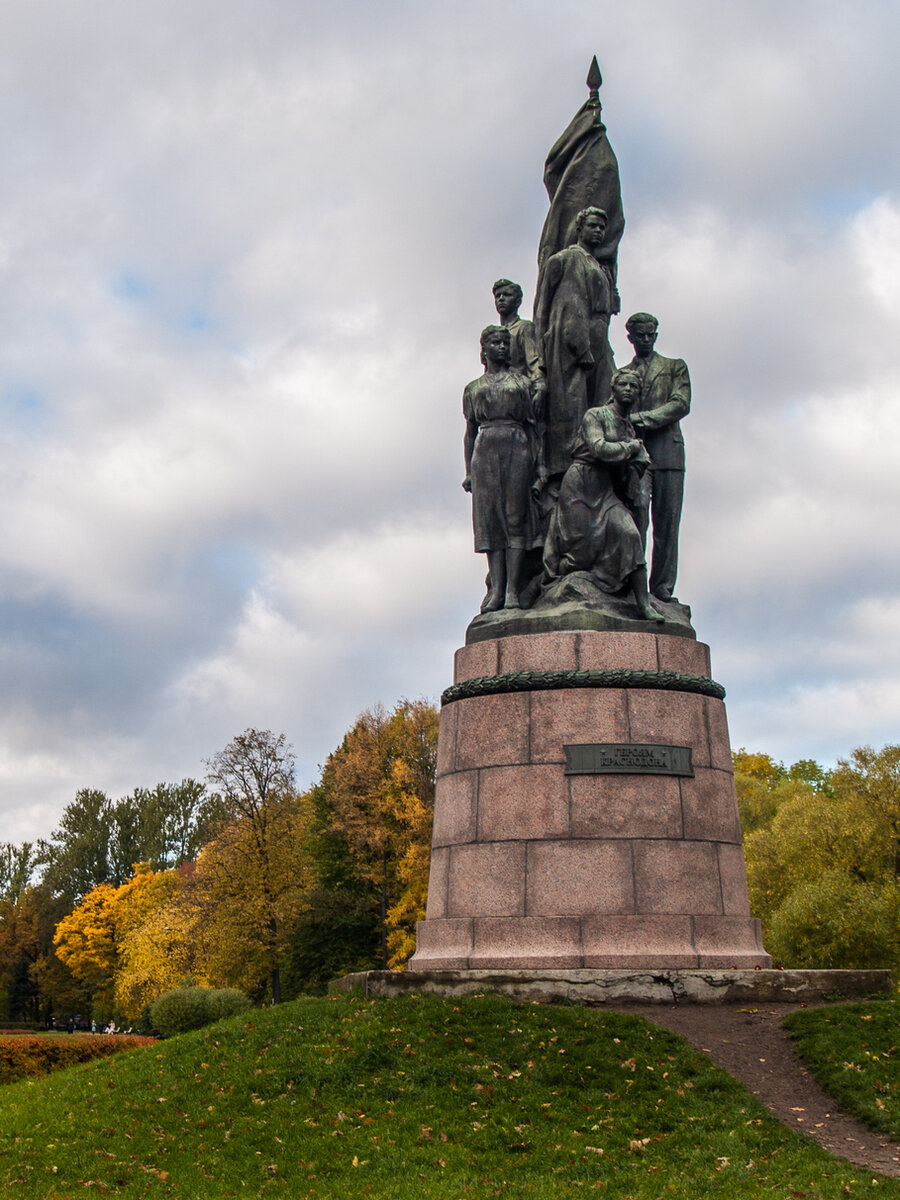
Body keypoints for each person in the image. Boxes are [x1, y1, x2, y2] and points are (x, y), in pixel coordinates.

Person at [542, 366, 663, 622]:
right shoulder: (595, 416)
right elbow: (598, 449)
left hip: (605, 491)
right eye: (624, 385)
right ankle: (543, 583)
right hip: (580, 485)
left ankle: (644, 603)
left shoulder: (628, 427)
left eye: (633, 386)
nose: (628, 390)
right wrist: (632, 448)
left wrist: (637, 462)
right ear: (613, 389)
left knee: (630, 534)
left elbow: (630, 465)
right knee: (578, 558)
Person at [533, 206, 616, 497]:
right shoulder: (569, 259)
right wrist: (580, 347)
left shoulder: (598, 264)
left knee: (603, 403)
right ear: (579, 228)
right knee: (572, 408)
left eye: (601, 227)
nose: (598, 231)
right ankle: (566, 474)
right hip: (575, 346)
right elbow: (571, 305)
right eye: (592, 225)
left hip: (597, 340)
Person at [463, 325, 543, 611]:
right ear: (484, 349)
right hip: (485, 450)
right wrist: (469, 472)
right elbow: (470, 431)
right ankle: (496, 588)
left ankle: (513, 589)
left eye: (504, 343)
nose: (501, 348)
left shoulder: (521, 383)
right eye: (495, 343)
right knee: (490, 521)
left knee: (514, 517)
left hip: (516, 445)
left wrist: (539, 468)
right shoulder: (473, 388)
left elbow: (534, 428)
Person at [624, 312, 691, 602]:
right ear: (631, 338)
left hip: (668, 453)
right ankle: (632, 584)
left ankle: (662, 588)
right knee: (635, 521)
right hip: (636, 457)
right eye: (641, 335)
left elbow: (680, 404)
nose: (647, 340)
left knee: (667, 524)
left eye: (651, 335)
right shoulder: (622, 374)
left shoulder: (675, 367)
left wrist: (643, 418)